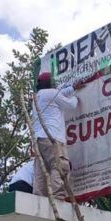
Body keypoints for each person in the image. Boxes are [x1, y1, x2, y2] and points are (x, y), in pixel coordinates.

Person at [31, 71, 77, 199]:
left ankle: (38, 197)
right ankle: (58, 197)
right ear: (50, 83)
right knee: (59, 165)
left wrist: (72, 88)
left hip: (39, 140)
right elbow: (72, 105)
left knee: (41, 169)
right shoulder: (51, 94)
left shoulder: (38, 96)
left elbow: (60, 94)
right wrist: (76, 95)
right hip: (53, 138)